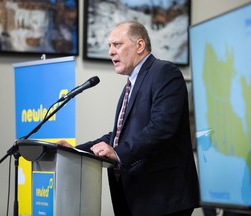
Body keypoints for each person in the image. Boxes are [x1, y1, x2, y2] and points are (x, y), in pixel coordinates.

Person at [57, 21, 200, 216]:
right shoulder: (130, 85)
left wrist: (118, 153)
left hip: (163, 196)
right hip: (135, 196)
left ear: (139, 45)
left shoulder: (165, 73)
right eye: (109, 46)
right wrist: (74, 150)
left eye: (117, 44)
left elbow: (162, 127)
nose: (111, 52)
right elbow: (116, 137)